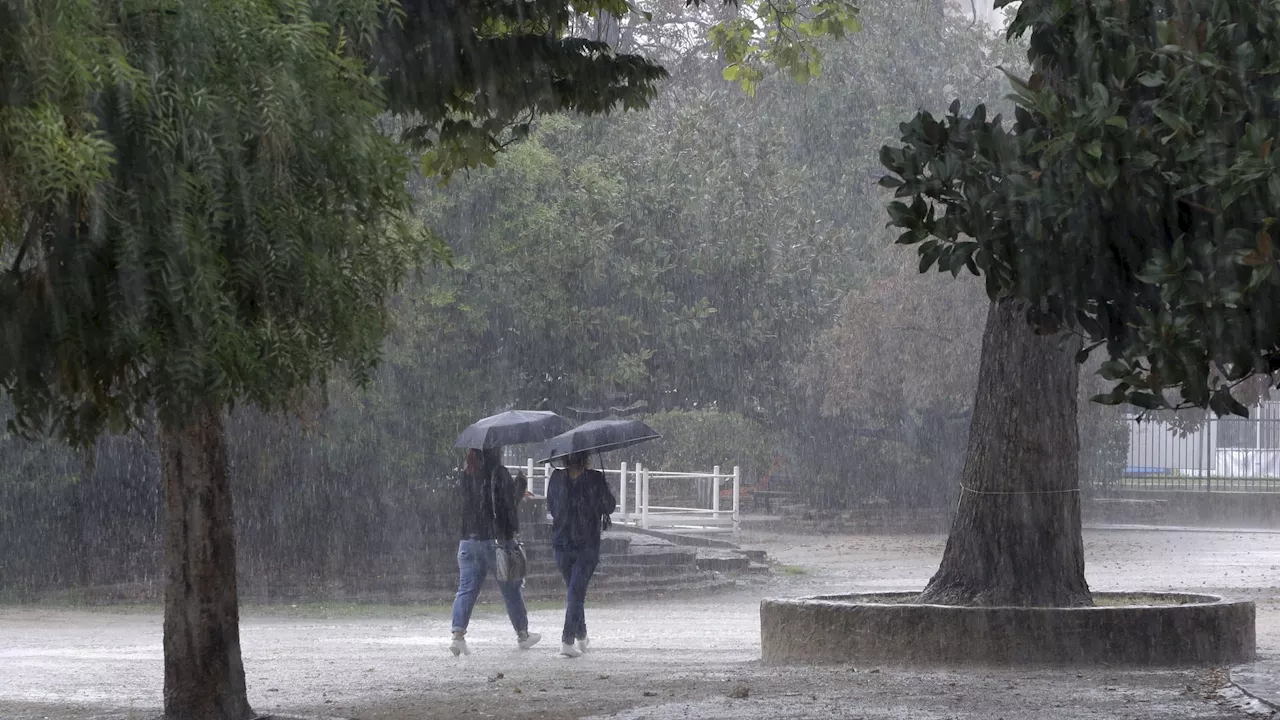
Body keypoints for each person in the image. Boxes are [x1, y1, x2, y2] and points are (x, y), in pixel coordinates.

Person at [449, 446, 541, 656]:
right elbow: (506, 506)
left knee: (465, 590)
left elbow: (472, 504)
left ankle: (457, 636)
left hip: (468, 541)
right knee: (511, 589)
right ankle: (523, 634)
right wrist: (519, 485)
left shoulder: (465, 475)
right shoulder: (498, 472)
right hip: (495, 541)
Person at [545, 450, 616, 658]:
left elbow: (551, 507)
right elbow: (609, 507)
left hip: (562, 543)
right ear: (586, 457)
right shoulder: (594, 478)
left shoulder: (557, 478)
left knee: (575, 591)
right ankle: (567, 640)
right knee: (576, 592)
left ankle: (582, 635)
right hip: (586, 544)